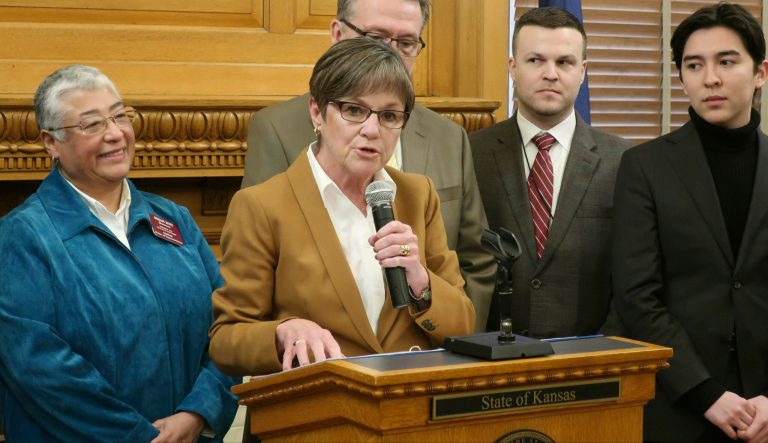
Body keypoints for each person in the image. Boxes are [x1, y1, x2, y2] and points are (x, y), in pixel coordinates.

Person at [209, 38, 475, 379]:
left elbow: (464, 325)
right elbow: (226, 340)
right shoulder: (262, 206)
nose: (371, 130)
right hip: (319, 414)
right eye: (354, 110)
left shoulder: (417, 194)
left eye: (389, 116)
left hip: (409, 408)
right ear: (317, 113)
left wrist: (421, 283)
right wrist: (283, 332)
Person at [0, 65, 238, 442]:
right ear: (51, 142)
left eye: (119, 115)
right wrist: (142, 438)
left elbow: (227, 329)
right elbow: (42, 374)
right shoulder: (21, 238)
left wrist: (197, 414)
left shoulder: (174, 219)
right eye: (92, 124)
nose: (115, 134)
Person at [241, 0, 495, 331]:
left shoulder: (450, 138)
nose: (391, 55)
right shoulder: (276, 129)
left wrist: (455, 346)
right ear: (337, 33)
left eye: (405, 43)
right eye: (375, 38)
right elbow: (255, 292)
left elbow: (475, 260)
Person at [612, 3, 768, 442]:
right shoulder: (644, 166)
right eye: (694, 65)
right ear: (681, 77)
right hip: (679, 407)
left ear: (760, 72)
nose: (710, 78)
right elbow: (636, 294)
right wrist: (705, 392)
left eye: (727, 61)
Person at [469, 7, 632, 336]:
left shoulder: (624, 160)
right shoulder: (471, 153)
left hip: (591, 359)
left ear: (582, 71)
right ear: (513, 68)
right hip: (490, 360)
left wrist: (604, 351)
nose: (550, 73)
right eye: (535, 60)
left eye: (564, 62)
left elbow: (632, 275)